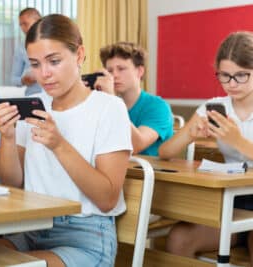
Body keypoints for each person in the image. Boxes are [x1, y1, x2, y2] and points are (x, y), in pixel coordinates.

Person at [0, 14, 132, 267]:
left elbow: (107, 198)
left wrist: (59, 145)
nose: (44, 74)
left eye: (54, 61)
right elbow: (12, 182)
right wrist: (8, 138)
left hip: (84, 236)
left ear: (79, 55)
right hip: (30, 226)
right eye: (35, 64)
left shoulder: (109, 108)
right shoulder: (36, 107)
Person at [159, 31, 253, 264]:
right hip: (231, 199)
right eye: (225, 75)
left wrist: (238, 141)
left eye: (242, 75)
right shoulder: (214, 107)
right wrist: (189, 135)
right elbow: (165, 152)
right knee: (179, 239)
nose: (232, 84)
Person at [94, 42, 173, 156]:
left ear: (140, 71)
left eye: (121, 69)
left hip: (145, 172)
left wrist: (111, 100)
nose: (114, 75)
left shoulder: (158, 106)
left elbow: (136, 145)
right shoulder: (104, 104)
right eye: (109, 71)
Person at [10, 7, 42, 96]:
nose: (23, 28)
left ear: (38, 22)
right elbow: (14, 79)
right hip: (33, 97)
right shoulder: (21, 48)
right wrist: (23, 80)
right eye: (21, 25)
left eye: (25, 23)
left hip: (55, 98)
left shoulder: (55, 43)